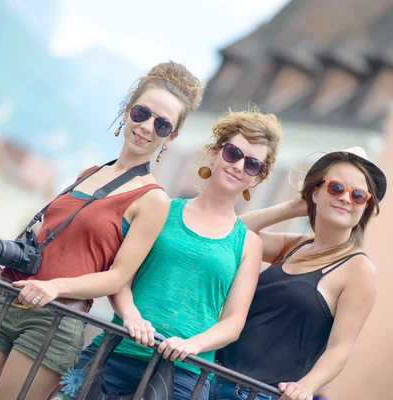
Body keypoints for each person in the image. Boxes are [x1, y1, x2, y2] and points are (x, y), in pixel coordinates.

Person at [0, 61, 204, 400]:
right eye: (142, 113)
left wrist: (54, 287)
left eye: (162, 123)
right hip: (8, 302)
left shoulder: (153, 199)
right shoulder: (89, 172)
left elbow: (118, 277)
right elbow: (56, 238)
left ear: (172, 136)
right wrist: (18, 257)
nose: (147, 126)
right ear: (126, 112)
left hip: (56, 322)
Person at [53, 107, 285, 400]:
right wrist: (131, 316)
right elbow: (119, 276)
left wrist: (193, 345)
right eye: (233, 153)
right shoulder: (161, 208)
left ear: (257, 178)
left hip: (184, 375)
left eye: (252, 165)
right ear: (214, 154)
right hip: (118, 351)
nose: (239, 166)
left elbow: (233, 323)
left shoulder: (249, 243)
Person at [211, 147, 387, 400]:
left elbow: (340, 348)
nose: (346, 199)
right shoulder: (293, 245)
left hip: (263, 395)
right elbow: (230, 233)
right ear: (315, 192)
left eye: (358, 195)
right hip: (210, 377)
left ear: (365, 207)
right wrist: (291, 207)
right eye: (336, 188)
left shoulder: (358, 270)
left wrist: (306, 386)